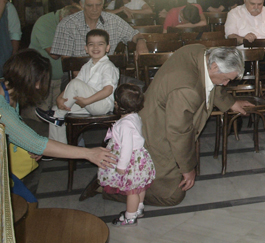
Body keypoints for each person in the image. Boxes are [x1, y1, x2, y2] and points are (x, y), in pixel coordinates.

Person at [140, 45, 252, 206]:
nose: (226, 84)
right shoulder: (187, 89)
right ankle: (115, 190)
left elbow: (212, 83)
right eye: (226, 79)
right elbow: (180, 131)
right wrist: (188, 168)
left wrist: (231, 102)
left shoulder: (201, 53)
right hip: (155, 132)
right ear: (215, 67)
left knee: (175, 177)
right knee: (172, 195)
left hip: (161, 117)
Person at [1, 50, 116, 199]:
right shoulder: (2, 106)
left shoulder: (9, 94)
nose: (38, 87)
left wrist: (29, 144)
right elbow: (36, 142)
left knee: (28, 202)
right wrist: (89, 153)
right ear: (25, 78)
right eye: (37, 81)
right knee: (24, 202)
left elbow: (17, 129)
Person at [36, 29, 119, 144]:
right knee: (56, 109)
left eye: (100, 44)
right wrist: (60, 98)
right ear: (86, 48)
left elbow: (108, 90)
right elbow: (73, 86)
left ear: (107, 48)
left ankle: (59, 115)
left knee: (74, 87)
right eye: (91, 44)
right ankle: (59, 146)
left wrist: (86, 101)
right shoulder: (86, 66)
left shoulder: (108, 66)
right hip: (87, 105)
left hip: (102, 105)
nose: (95, 47)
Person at [98, 84, 156, 227]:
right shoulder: (134, 117)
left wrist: (121, 166)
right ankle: (139, 207)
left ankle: (130, 216)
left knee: (132, 191)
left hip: (130, 161)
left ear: (117, 104)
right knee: (139, 186)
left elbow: (127, 147)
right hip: (138, 158)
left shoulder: (125, 124)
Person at [51, 0, 148, 60]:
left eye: (98, 5)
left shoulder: (113, 21)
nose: (95, 9)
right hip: (78, 75)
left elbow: (135, 34)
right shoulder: (67, 24)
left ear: (103, 3)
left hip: (108, 75)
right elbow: (67, 62)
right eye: (90, 5)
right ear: (82, 5)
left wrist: (141, 42)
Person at [29, 4, 81, 110]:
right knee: (42, 111)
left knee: (58, 111)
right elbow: (54, 53)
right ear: (62, 19)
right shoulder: (44, 23)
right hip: (43, 78)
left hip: (62, 77)